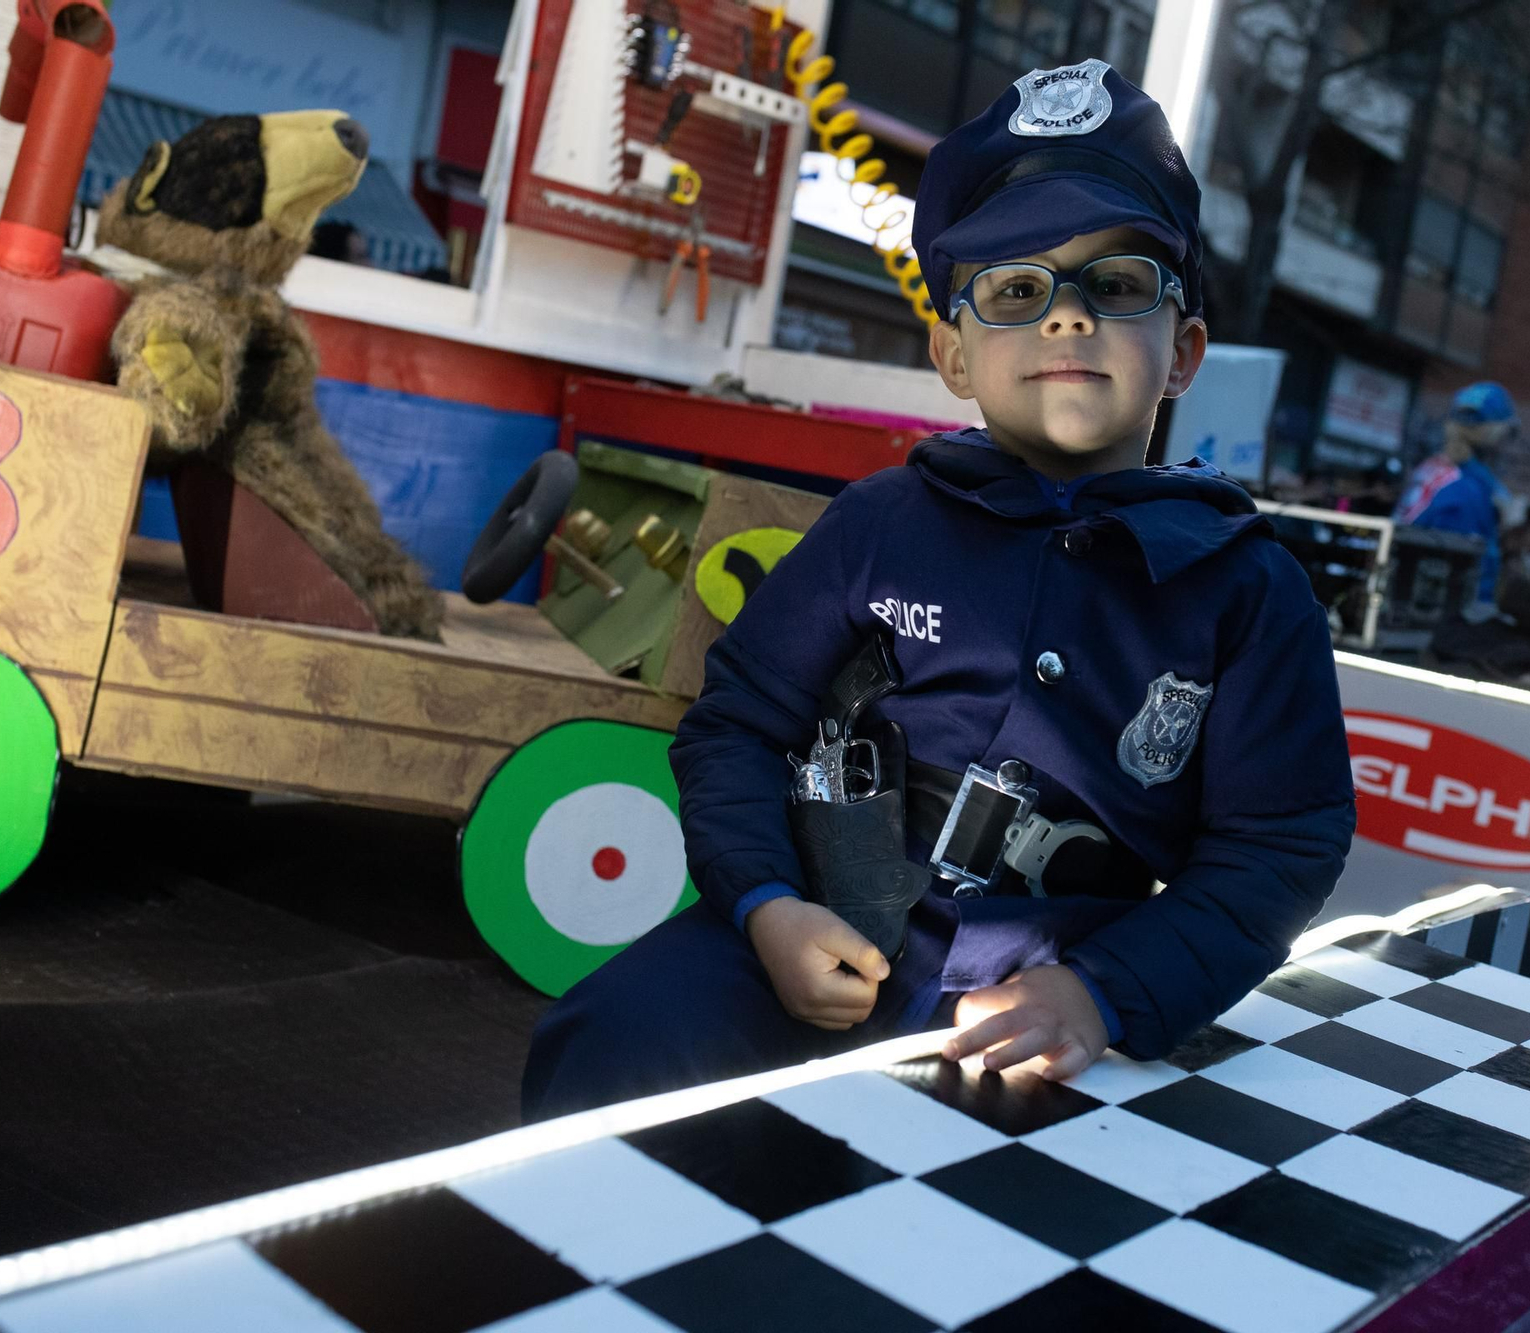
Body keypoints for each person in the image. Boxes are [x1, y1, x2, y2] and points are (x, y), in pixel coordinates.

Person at [521, 61, 1356, 1121]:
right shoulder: (878, 524)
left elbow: (1278, 844)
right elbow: (735, 727)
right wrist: (767, 906)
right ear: (952, 355)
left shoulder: (1246, 588)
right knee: (619, 1044)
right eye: (1016, 290)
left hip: (1045, 1020)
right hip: (804, 949)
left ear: (1182, 352)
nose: (1066, 319)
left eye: (1116, 285)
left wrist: (1105, 993)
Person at [1395, 381, 1522, 603]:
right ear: (1494, 434)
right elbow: (1463, 575)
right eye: (1509, 433)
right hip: (1438, 617)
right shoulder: (1466, 490)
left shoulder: (1435, 469)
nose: (1509, 444)